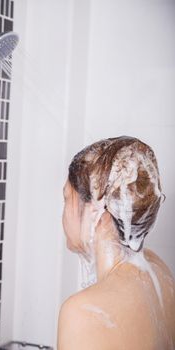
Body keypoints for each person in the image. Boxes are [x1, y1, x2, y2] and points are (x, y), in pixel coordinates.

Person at [57, 136, 175, 350]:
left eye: (66, 199)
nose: (63, 214)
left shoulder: (83, 312)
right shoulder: (160, 273)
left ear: (98, 214)